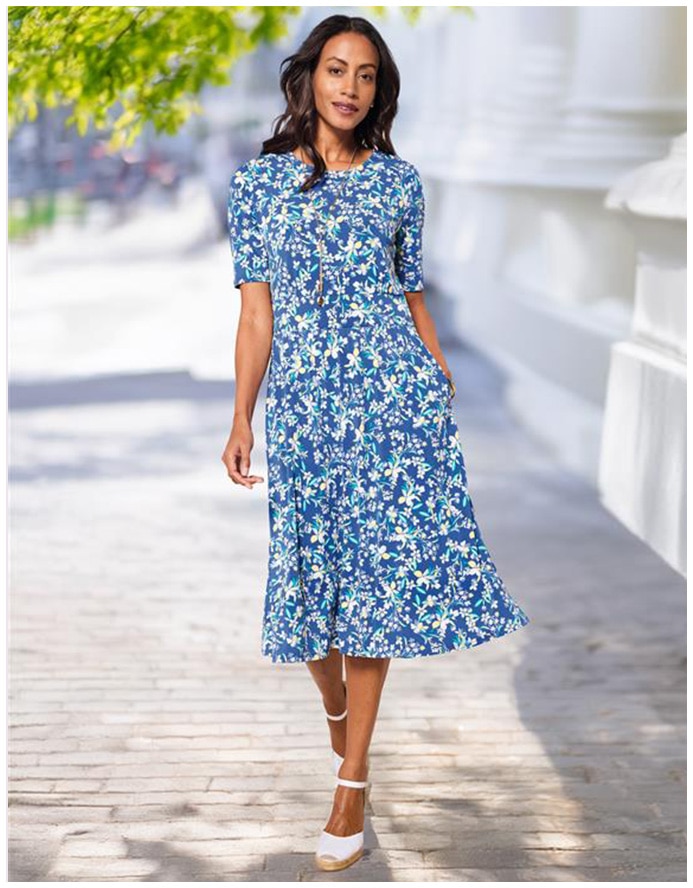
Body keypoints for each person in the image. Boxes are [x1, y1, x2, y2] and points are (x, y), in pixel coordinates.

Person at [222, 14, 530, 873]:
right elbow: (255, 313)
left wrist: (433, 369)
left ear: (377, 89)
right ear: (308, 80)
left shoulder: (400, 183)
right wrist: (242, 415)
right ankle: (337, 716)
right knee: (309, 596)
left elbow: (411, 290)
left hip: (393, 406)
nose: (349, 87)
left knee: (374, 591)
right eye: (335, 70)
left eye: (364, 74)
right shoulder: (257, 186)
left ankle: (350, 781)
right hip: (307, 410)